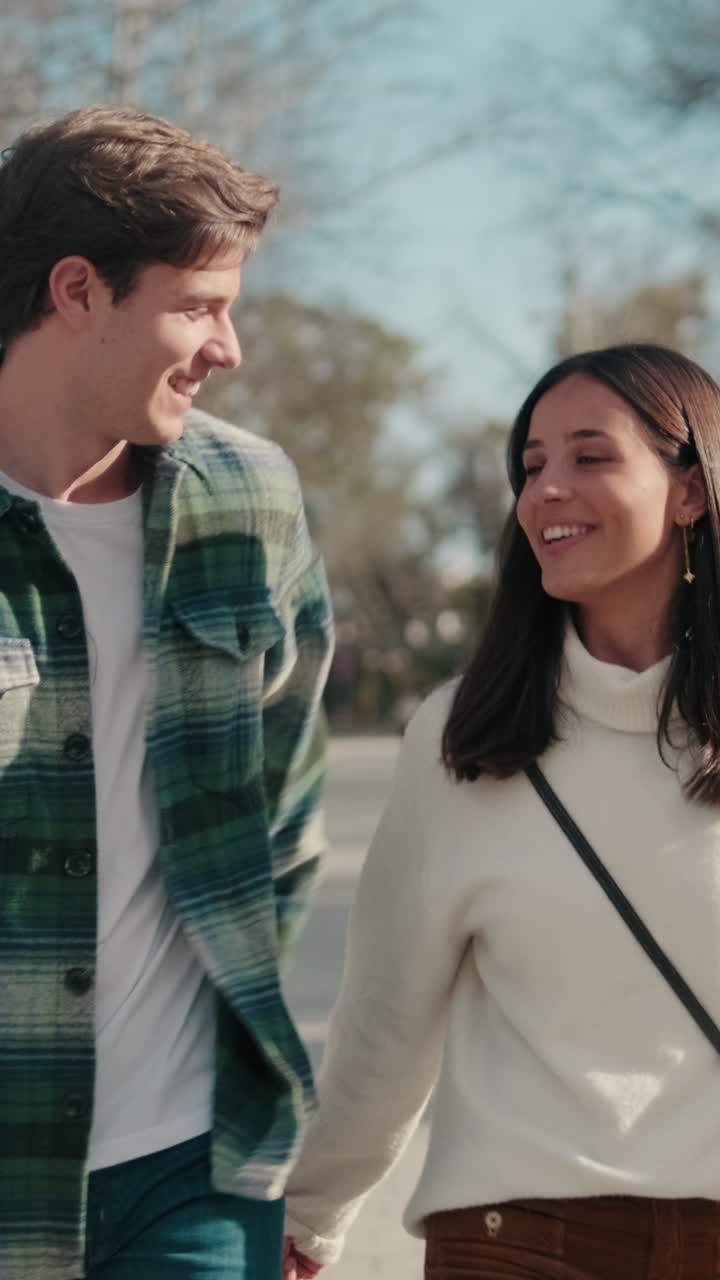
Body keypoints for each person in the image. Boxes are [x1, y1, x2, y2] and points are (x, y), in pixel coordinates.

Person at [283, 342, 720, 1280]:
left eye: (589, 456)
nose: (546, 490)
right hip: (516, 1239)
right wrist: (313, 1212)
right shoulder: (465, 737)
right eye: (530, 466)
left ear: (691, 489)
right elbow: (385, 1016)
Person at [0, 105, 333, 1280]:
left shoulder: (252, 497)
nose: (228, 348)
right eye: (199, 305)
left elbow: (284, 819)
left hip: (192, 1165)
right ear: (79, 290)